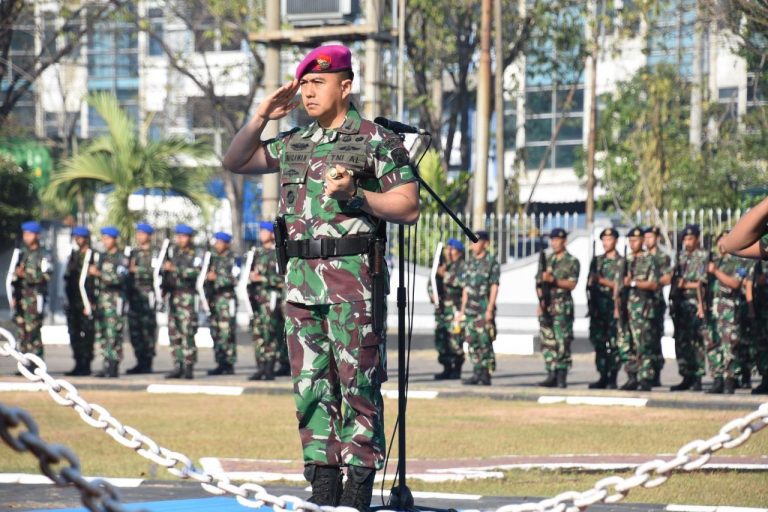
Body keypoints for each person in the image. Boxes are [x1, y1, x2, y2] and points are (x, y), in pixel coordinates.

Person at [222, 44, 419, 511]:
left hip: (354, 286)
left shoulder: (374, 140)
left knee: (358, 389)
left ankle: (356, 494)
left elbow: (408, 206)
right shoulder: (296, 142)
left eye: (318, 83)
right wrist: (261, 116)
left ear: (345, 86)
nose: (308, 92)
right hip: (300, 286)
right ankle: (323, 490)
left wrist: (360, 197)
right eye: (304, 84)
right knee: (311, 388)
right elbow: (235, 161)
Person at [536, 228, 580, 388]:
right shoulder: (546, 260)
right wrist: (541, 301)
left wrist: (554, 280)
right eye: (552, 240)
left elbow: (572, 284)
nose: (554, 243)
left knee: (562, 341)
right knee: (547, 342)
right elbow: (538, 283)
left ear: (564, 241)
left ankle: (561, 375)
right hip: (547, 305)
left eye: (557, 240)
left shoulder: (571, 261)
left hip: (562, 307)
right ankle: (551, 373)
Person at [706, 233, 748, 394]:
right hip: (713, 309)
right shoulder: (714, 261)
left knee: (730, 344)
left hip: (729, 309)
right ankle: (717, 378)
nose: (722, 243)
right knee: (713, 344)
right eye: (720, 240)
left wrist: (715, 271)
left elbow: (735, 284)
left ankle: (730, 378)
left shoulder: (738, 262)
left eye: (726, 239)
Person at [618, 227, 659, 392]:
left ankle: (645, 378)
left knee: (643, 344)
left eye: (635, 240)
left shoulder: (649, 260)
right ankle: (632, 376)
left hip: (642, 310)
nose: (632, 243)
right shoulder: (625, 261)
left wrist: (634, 283)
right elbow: (618, 286)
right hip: (625, 309)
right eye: (630, 240)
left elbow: (654, 284)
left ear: (642, 241)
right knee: (626, 345)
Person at [670, 224, 709, 391]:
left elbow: (702, 282)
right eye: (685, 239)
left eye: (690, 238)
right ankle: (686, 375)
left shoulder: (703, 257)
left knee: (696, 342)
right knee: (681, 341)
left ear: (697, 239)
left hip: (695, 304)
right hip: (681, 305)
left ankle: (697, 377)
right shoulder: (681, 257)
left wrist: (686, 284)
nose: (687, 242)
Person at [456, 232, 498, 385]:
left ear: (485, 243)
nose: (473, 244)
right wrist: (461, 310)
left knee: (484, 341)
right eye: (472, 242)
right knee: (471, 340)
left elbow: (494, 286)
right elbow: (465, 289)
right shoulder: (469, 263)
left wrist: (490, 309)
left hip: (483, 308)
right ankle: (476, 372)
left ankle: (486, 373)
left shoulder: (491, 262)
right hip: (470, 311)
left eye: (477, 241)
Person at [163, 224, 201, 380]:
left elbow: (197, 272)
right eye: (178, 236)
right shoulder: (173, 253)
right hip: (173, 297)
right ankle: (177, 364)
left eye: (183, 236)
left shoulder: (196, 254)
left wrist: (175, 269)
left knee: (187, 332)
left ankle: (188, 365)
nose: (180, 239)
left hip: (187, 297)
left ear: (190, 238)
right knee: (174, 333)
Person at [248, 221, 285, 381]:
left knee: (270, 332)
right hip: (257, 299)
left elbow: (282, 277)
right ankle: (260, 367)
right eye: (261, 231)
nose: (261, 234)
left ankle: (269, 367)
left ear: (271, 234)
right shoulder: (257, 253)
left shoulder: (276, 253)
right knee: (258, 333)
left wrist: (262, 278)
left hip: (271, 299)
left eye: (264, 231)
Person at [587, 228, 623, 389]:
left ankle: (613, 377)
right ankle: (602, 375)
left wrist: (601, 280)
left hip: (613, 308)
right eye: (604, 240)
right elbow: (589, 284)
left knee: (614, 344)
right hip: (597, 309)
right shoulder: (596, 261)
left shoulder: (621, 262)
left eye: (609, 239)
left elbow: (619, 285)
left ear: (615, 241)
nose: (605, 243)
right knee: (599, 343)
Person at [90, 226, 127, 378]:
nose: (105, 241)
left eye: (108, 238)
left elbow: (119, 279)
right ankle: (106, 363)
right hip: (101, 301)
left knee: (114, 334)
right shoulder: (101, 257)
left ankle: (113, 365)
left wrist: (98, 274)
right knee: (102, 334)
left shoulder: (120, 258)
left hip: (114, 301)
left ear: (114, 239)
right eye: (103, 238)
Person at [11, 221, 51, 362]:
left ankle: (36, 361)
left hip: (35, 298)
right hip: (21, 298)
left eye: (29, 234)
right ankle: (24, 361)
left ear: (37, 235)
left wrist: (25, 275)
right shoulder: (22, 253)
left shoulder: (44, 254)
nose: (26, 237)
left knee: (33, 330)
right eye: (24, 234)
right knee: (22, 331)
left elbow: (46, 275)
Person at [427, 238, 466, 380]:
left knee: (455, 340)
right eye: (447, 249)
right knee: (441, 339)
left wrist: (445, 275)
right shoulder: (440, 265)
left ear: (459, 252)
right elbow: (430, 282)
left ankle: (457, 368)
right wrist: (432, 295)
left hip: (454, 309)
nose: (449, 252)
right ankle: (446, 367)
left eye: (452, 249)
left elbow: (463, 283)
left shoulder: (462, 266)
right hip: (441, 310)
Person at [63, 226, 96, 376]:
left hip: (86, 301)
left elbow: (94, 281)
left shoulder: (93, 256)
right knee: (74, 333)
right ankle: (78, 363)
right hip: (73, 300)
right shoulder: (73, 255)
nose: (77, 239)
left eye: (80, 237)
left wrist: (92, 301)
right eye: (75, 236)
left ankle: (86, 364)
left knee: (87, 333)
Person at [126, 222, 157, 374]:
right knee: (135, 331)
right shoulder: (133, 253)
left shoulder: (155, 253)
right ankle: (139, 360)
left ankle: (147, 361)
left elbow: (154, 272)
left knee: (147, 330)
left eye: (142, 234)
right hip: (134, 296)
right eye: (138, 233)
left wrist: (136, 269)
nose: (139, 237)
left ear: (149, 236)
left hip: (147, 296)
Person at [206, 231, 238, 376]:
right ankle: (220, 362)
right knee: (216, 332)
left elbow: (234, 279)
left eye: (220, 242)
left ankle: (229, 364)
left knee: (227, 332)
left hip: (226, 300)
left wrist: (216, 278)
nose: (217, 245)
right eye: (216, 242)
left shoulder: (233, 259)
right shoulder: (212, 258)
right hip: (214, 300)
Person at [644, 226, 672, 386]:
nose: (648, 240)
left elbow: (667, 278)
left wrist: (652, 283)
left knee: (655, 337)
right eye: (646, 237)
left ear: (657, 238)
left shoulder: (662, 257)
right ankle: (645, 372)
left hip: (655, 302)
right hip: (640, 304)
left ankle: (656, 372)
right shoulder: (641, 256)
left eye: (651, 237)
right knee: (644, 339)